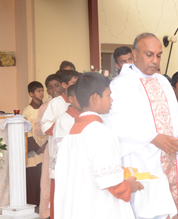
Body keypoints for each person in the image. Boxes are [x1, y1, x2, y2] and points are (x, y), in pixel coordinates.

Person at [104, 33, 178, 219]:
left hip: (171, 159)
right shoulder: (120, 84)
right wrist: (154, 138)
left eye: (159, 55)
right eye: (149, 54)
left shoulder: (162, 81)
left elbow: (177, 113)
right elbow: (114, 122)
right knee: (147, 210)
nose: (155, 60)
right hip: (142, 159)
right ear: (135, 54)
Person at [54, 72, 144, 219]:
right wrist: (129, 186)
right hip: (98, 207)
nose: (112, 99)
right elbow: (111, 182)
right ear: (95, 97)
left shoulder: (70, 135)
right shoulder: (101, 133)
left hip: (77, 208)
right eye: (108, 95)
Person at [41, 69, 79, 219]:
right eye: (74, 83)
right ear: (65, 85)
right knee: (59, 189)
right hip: (59, 149)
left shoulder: (80, 100)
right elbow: (45, 124)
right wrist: (60, 128)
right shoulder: (56, 102)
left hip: (76, 150)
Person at [35, 73, 64, 219]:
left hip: (67, 147)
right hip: (51, 148)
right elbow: (37, 129)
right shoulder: (45, 106)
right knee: (47, 182)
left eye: (56, 86)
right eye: (50, 88)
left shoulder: (71, 101)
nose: (54, 90)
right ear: (47, 91)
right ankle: (48, 212)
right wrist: (53, 126)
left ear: (63, 85)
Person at [22, 81, 48, 206]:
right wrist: (36, 147)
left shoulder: (46, 107)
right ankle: (34, 205)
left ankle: (44, 204)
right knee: (34, 177)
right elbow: (26, 131)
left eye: (42, 90)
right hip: (35, 148)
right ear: (31, 94)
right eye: (38, 91)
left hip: (46, 145)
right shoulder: (27, 111)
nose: (42, 93)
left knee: (45, 177)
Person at [50, 85, 81, 182]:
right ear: (71, 99)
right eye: (80, 97)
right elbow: (60, 146)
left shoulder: (86, 117)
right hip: (69, 168)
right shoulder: (63, 120)